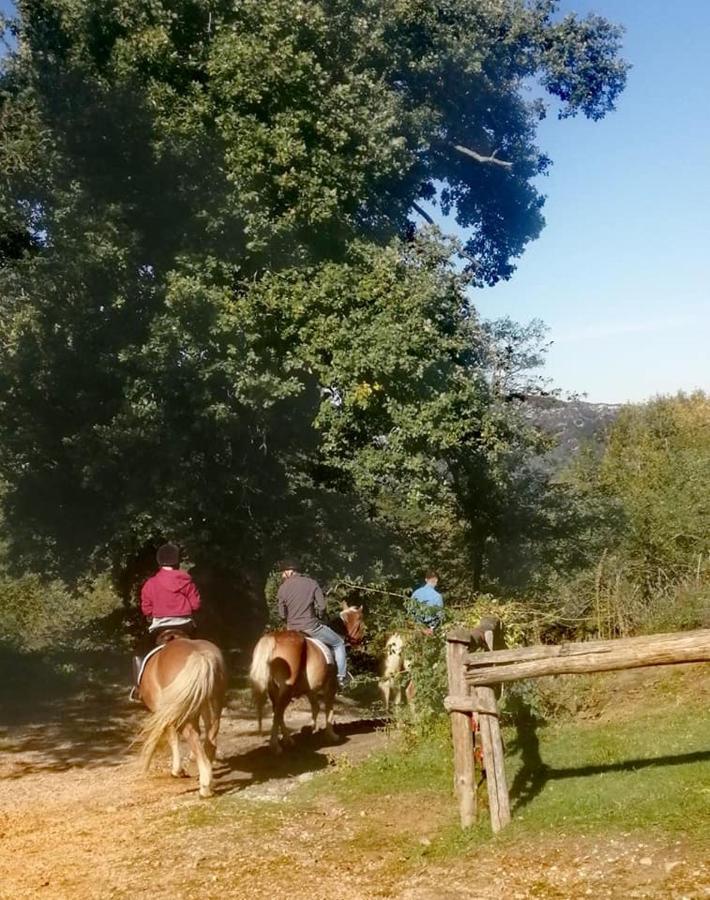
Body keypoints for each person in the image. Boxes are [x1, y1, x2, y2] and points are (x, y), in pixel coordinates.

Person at [130, 542, 201, 701]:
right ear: (177, 561)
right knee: (205, 648)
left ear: (159, 562)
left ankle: (138, 689)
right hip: (186, 626)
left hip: (160, 628)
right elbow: (196, 605)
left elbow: (146, 610)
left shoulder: (151, 583)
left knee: (138, 654)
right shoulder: (187, 581)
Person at [276, 559, 349, 689]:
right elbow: (322, 606)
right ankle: (341, 678)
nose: (282, 575)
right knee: (339, 643)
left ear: (291, 571)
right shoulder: (312, 583)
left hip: (292, 628)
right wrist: (321, 616)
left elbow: (282, 614)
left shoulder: (282, 588)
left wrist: (289, 621)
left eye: (283, 572)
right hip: (310, 627)